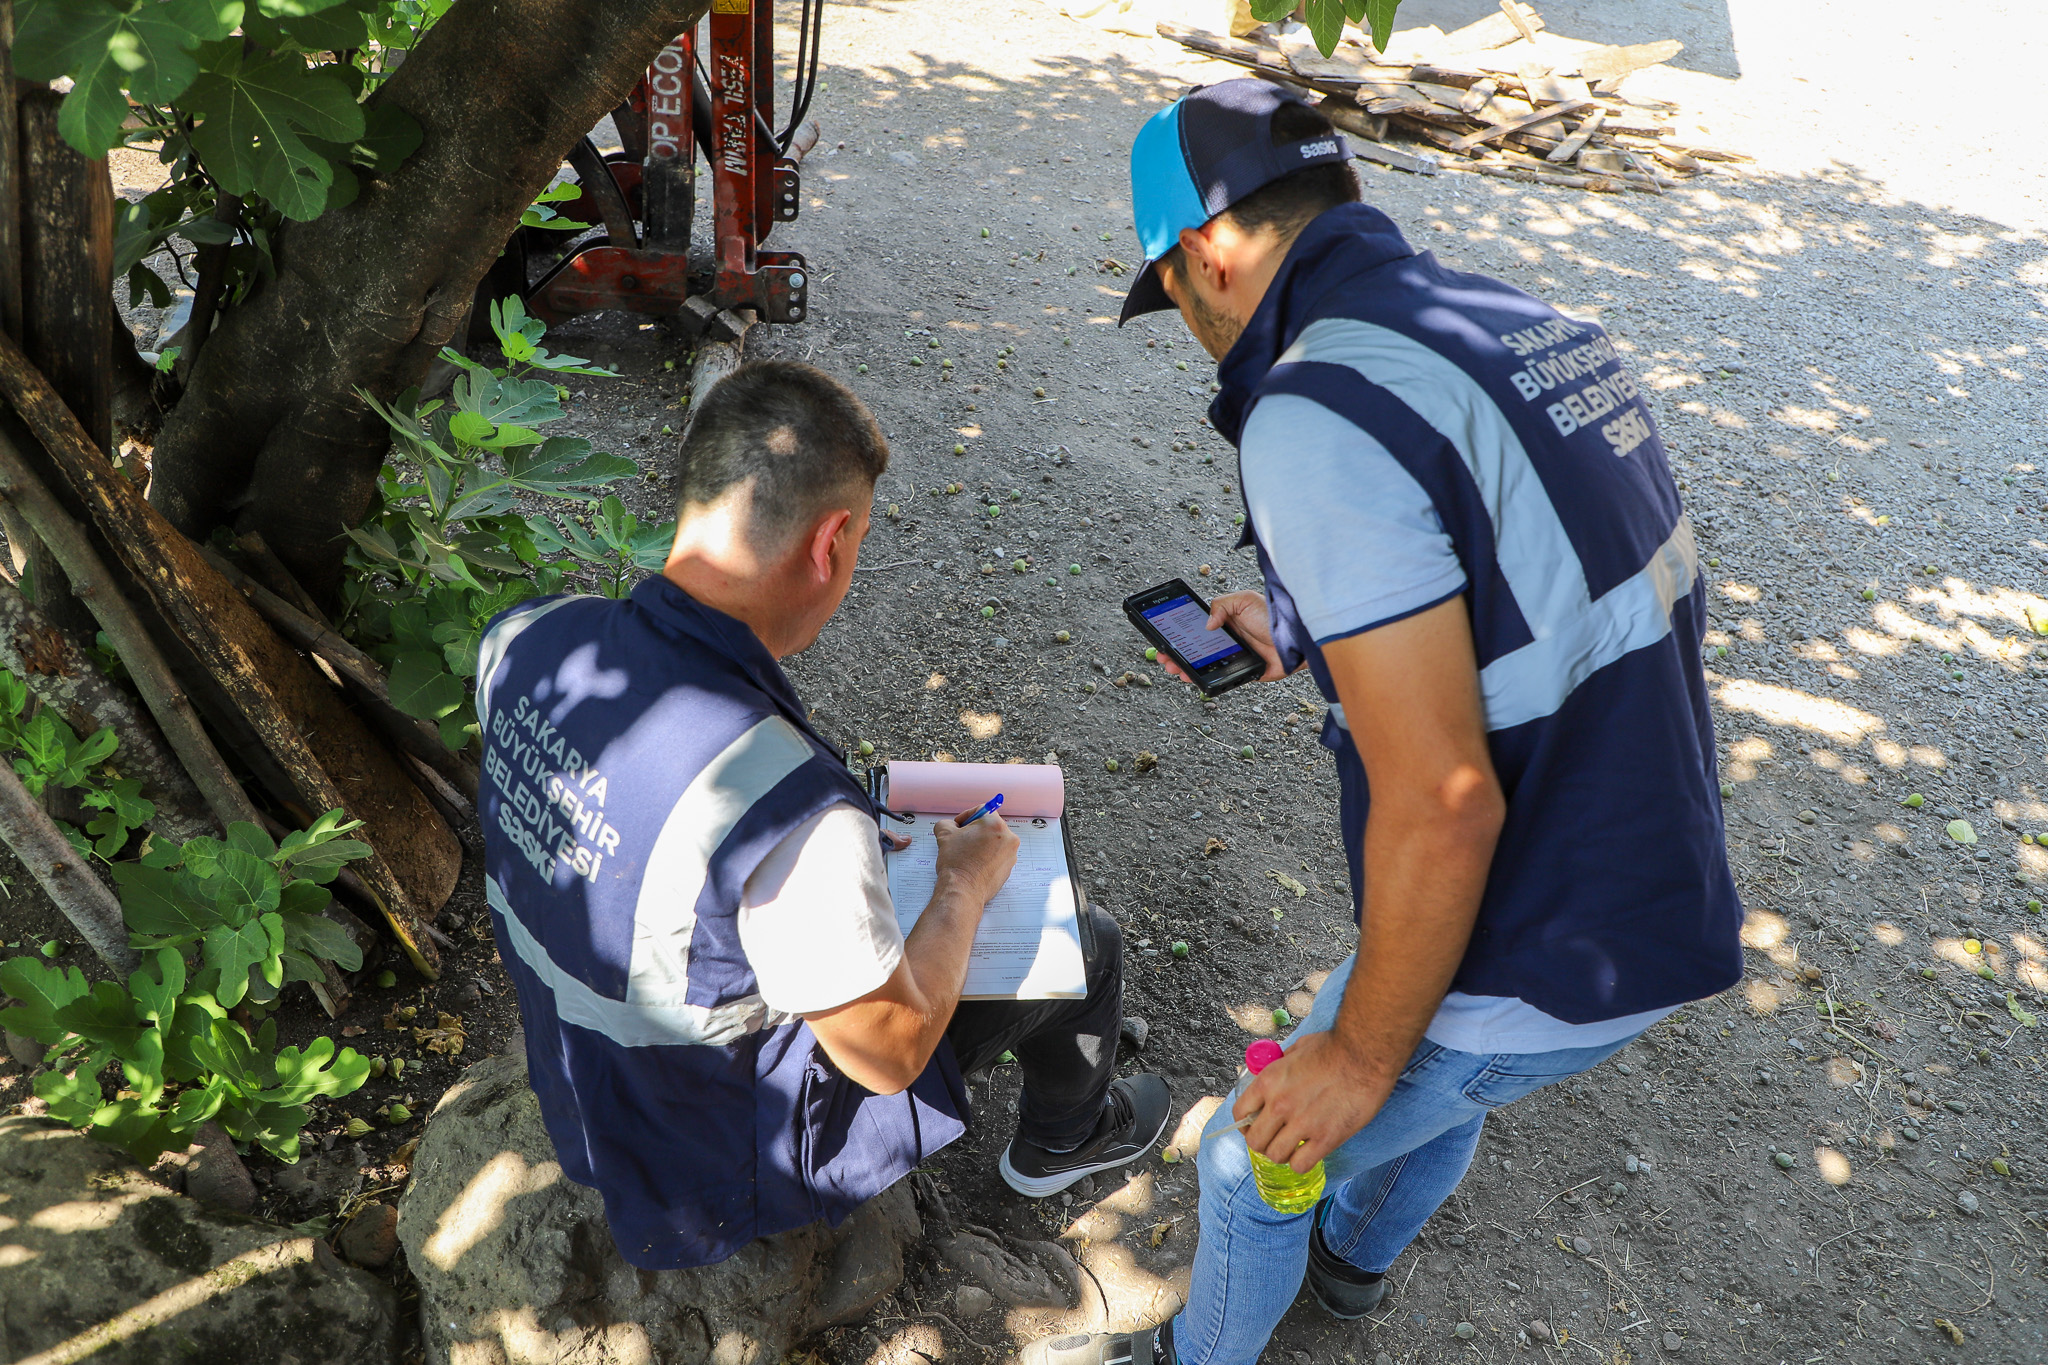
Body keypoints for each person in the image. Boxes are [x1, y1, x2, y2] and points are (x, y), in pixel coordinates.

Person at [1030, 81, 1743, 1365]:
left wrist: (1353, 1063)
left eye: (1176, 301)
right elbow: (1515, 580)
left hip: (1537, 919)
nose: (1192, 330)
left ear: (1208, 255)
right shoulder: (1528, 326)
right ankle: (1351, 1271)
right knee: (1439, 1089)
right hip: (1651, 865)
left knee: (1255, 1159)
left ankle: (1198, 1355)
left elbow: (1443, 801)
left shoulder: (1314, 409)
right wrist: (1309, 617)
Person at [474, 360, 1170, 1270]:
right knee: (1085, 941)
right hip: (707, 1152)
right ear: (829, 540)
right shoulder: (792, 817)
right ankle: (1064, 1140)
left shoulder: (526, 639)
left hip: (585, 1077)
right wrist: (959, 885)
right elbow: (888, 1059)